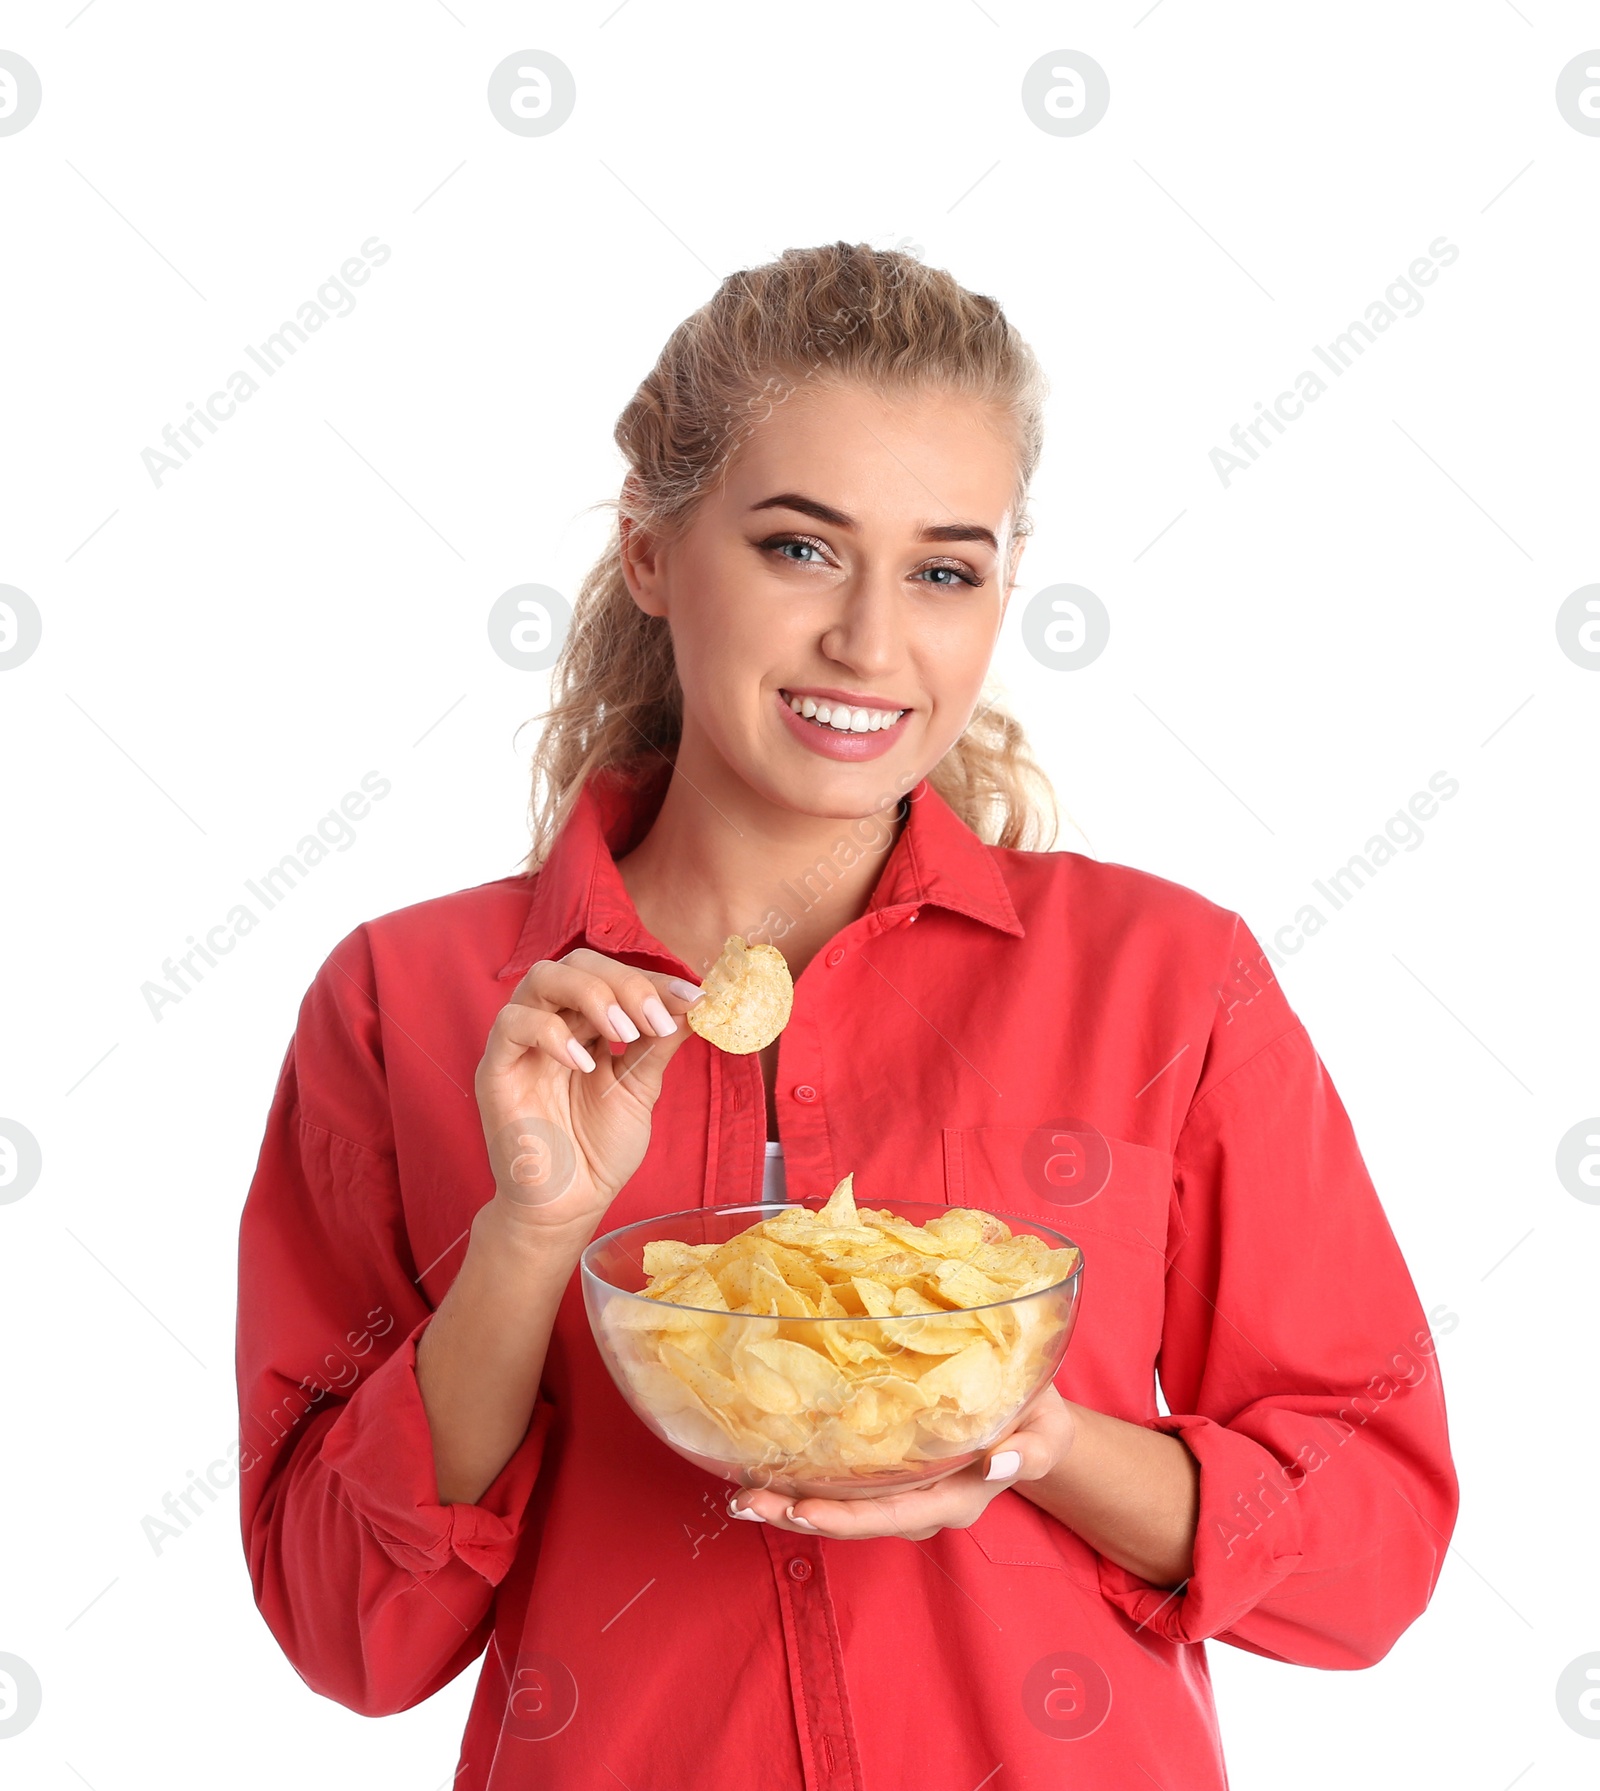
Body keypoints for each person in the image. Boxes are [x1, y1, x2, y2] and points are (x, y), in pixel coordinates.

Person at [235, 242, 1459, 1789]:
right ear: (650, 555)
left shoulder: (1165, 976)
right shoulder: (404, 1004)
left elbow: (1374, 1551)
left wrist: (1038, 1445)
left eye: (945, 569)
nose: (873, 646)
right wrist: (528, 1241)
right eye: (802, 550)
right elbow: (350, 1632)